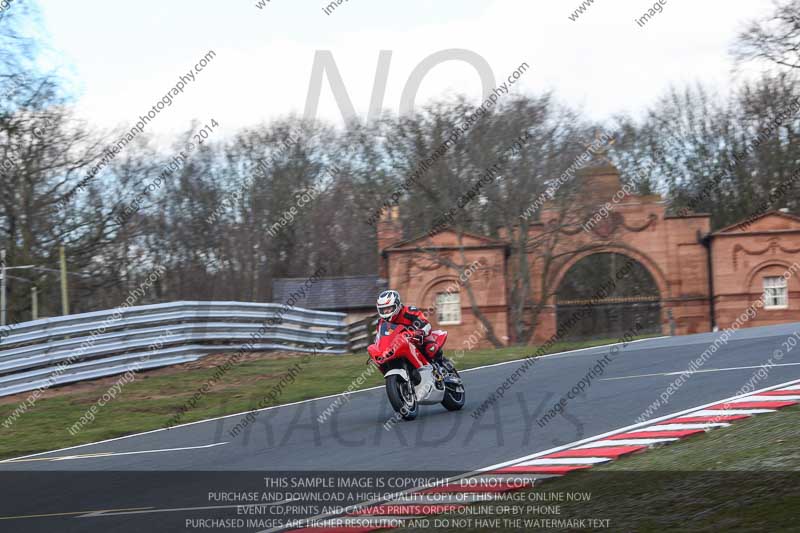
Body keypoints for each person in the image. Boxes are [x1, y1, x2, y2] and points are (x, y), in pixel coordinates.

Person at [375, 289, 441, 398]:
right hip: (398, 346)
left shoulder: (409, 311)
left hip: (418, 338)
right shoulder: (381, 323)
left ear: (396, 305)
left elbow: (425, 323)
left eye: (388, 309)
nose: (386, 312)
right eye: (383, 310)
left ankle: (443, 369)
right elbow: (379, 337)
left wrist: (420, 332)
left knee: (431, 349)